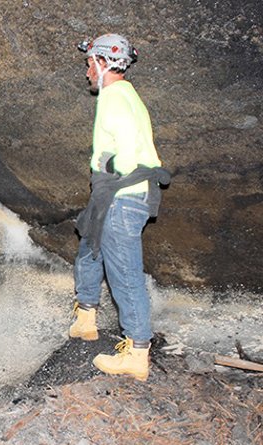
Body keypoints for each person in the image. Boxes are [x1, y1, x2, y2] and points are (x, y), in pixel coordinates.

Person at [69, 33, 171, 382]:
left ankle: (137, 353)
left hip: (122, 195)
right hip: (115, 196)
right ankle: (85, 319)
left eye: (89, 64)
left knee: (125, 274)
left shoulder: (113, 96)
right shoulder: (127, 95)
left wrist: (115, 170)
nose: (87, 72)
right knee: (90, 247)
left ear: (102, 63)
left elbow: (127, 143)